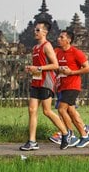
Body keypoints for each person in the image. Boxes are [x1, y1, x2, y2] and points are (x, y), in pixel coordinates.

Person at [20, 21, 70, 151]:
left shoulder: (47, 46)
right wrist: (31, 69)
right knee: (32, 110)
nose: (35, 32)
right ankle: (32, 141)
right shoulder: (35, 48)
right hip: (36, 81)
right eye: (35, 30)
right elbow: (38, 66)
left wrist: (38, 68)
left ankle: (65, 133)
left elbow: (55, 65)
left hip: (46, 81)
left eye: (37, 30)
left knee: (47, 111)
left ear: (44, 32)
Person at [52, 28, 89, 148]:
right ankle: (85, 136)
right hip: (62, 85)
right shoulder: (57, 52)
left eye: (62, 37)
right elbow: (54, 66)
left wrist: (71, 72)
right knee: (71, 111)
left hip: (72, 85)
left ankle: (70, 135)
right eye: (59, 37)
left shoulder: (76, 52)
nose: (58, 39)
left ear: (69, 40)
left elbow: (87, 68)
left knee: (61, 109)